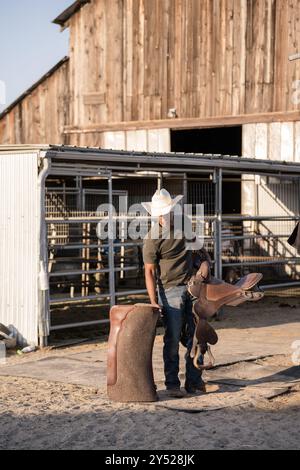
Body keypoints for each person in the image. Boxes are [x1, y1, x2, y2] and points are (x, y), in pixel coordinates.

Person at [142, 188, 210, 397]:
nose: (166, 216)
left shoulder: (185, 226)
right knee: (172, 338)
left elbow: (199, 250)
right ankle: (172, 383)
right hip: (169, 290)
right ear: (157, 216)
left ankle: (193, 381)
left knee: (197, 336)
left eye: (168, 211)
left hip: (191, 285)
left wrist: (205, 262)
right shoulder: (152, 239)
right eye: (162, 213)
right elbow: (150, 272)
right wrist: (154, 301)